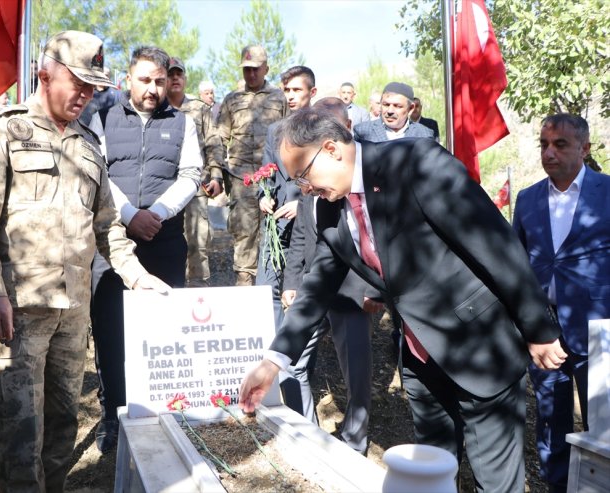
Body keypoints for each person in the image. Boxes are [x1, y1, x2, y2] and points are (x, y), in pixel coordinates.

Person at [239, 108, 567, 492]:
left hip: (479, 347)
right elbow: (317, 285)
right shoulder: (328, 209)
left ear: (332, 149)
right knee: (431, 474)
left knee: (493, 483)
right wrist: (273, 361)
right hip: (420, 356)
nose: (303, 188)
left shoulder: (416, 163)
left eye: (302, 175)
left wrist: (538, 328)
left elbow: (494, 245)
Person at [0, 31, 168, 492]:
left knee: (62, 426)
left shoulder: (89, 145)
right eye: (79, 83)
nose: (86, 95)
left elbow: (108, 225)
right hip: (18, 310)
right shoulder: (3, 130)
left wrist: (137, 276)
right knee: (19, 433)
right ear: (44, 72)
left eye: (93, 87)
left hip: (73, 313)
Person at [88, 46, 202, 453]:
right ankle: (114, 413)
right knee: (109, 330)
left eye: (159, 80)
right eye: (144, 80)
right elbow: (98, 173)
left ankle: (160, 411)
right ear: (128, 80)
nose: (153, 89)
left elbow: (191, 174)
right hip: (110, 244)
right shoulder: (102, 118)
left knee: (161, 334)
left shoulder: (183, 122)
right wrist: (127, 213)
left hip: (164, 240)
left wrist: (154, 213)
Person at [513, 114, 610, 493]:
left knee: (603, 424)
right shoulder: (527, 198)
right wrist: (529, 324)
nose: (549, 153)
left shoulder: (607, 192)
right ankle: (558, 486)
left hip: (599, 330)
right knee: (551, 420)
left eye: (560, 145)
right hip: (544, 333)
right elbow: (516, 265)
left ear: (585, 149)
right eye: (543, 145)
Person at [281, 97, 382, 453]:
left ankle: (355, 441)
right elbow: (302, 241)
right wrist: (292, 283)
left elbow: (374, 242)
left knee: (356, 373)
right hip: (313, 288)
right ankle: (306, 432)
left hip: (352, 294)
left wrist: (375, 290)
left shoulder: (366, 181)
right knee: (291, 364)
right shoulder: (310, 188)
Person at [254, 65, 315, 419]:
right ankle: (272, 381)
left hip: (305, 225)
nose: (291, 96)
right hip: (275, 229)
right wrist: (264, 197)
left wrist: (302, 204)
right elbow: (266, 172)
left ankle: (298, 379)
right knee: (267, 298)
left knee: (300, 303)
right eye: (286, 90)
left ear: (311, 92)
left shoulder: (320, 127)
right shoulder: (275, 131)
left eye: (297, 90)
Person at [217, 44, 287, 285]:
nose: (251, 74)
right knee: (244, 237)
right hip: (241, 179)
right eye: (247, 70)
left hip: (272, 178)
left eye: (256, 69)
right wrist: (217, 172)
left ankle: (274, 291)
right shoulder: (232, 99)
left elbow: (288, 137)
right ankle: (245, 289)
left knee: (275, 235)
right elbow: (220, 137)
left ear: (266, 68)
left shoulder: (279, 98)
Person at [166, 57, 224, 287]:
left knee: (198, 243)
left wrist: (217, 175)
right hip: (163, 189)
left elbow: (213, 143)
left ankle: (198, 293)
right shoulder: (158, 108)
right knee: (166, 245)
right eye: (171, 74)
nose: (175, 78)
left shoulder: (199, 108)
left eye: (179, 74)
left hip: (195, 188)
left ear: (185, 78)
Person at [354, 82, 434, 141]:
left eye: (397, 106)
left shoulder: (425, 135)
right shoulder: (362, 132)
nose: (390, 111)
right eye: (386, 105)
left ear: (410, 108)